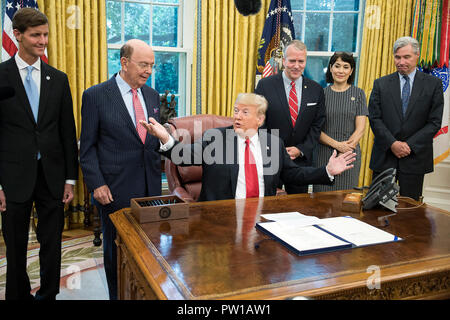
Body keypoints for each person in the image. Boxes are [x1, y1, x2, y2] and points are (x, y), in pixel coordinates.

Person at [140, 93, 356, 201]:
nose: (237, 116)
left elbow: (293, 175)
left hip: (263, 217)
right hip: (221, 219)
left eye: (245, 112)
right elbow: (183, 156)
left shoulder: (273, 142)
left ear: (260, 119)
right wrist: (164, 137)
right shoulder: (216, 138)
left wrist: (326, 171)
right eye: (236, 111)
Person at [0, 8, 78, 300]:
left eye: (45, 34)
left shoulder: (58, 79)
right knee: (16, 246)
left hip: (52, 176)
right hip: (13, 178)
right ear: (17, 35)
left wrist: (70, 179)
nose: (43, 40)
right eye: (36, 35)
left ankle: (48, 295)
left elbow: (67, 132)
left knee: (51, 243)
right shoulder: (1, 76)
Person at [79, 39, 162, 300]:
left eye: (152, 65)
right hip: (113, 189)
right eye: (143, 64)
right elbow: (87, 148)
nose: (148, 71)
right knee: (116, 253)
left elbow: (151, 141)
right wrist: (96, 184)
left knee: (149, 251)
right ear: (124, 62)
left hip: (150, 188)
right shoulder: (95, 96)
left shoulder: (152, 95)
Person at [368, 36, 444, 201]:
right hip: (385, 157)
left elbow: (434, 122)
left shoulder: (434, 84)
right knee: (377, 210)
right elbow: (375, 118)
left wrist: (408, 145)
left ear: (417, 56)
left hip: (415, 158)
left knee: (410, 213)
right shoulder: (380, 84)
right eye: (398, 57)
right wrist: (393, 144)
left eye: (406, 57)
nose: (401, 61)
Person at [255, 40, 326, 194]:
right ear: (284, 61)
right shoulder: (265, 85)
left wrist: (301, 149)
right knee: (268, 208)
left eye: (301, 61)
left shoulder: (316, 89)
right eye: (292, 60)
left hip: (301, 162)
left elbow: (317, 125)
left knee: (298, 208)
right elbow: (259, 122)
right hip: (271, 158)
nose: (296, 65)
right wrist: (276, 149)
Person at [314, 52, 368, 192]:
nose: (341, 71)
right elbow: (315, 129)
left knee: (345, 201)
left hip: (349, 156)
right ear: (331, 68)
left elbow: (360, 129)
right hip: (324, 154)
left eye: (345, 67)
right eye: (337, 66)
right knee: (321, 201)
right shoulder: (320, 94)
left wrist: (346, 150)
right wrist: (338, 145)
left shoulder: (359, 94)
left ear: (351, 71)